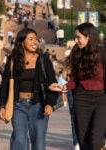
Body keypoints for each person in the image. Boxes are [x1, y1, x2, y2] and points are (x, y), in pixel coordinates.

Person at [0, 28, 58, 150]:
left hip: (38, 105)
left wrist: (50, 104)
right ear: (21, 42)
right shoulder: (12, 60)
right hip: (18, 105)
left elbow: (52, 83)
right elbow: (5, 84)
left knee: (39, 143)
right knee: (19, 140)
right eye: (31, 39)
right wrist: (2, 105)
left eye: (36, 39)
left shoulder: (43, 59)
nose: (35, 42)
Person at [49, 22, 106, 150]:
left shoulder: (102, 54)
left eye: (78, 37)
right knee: (83, 140)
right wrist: (63, 87)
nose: (76, 40)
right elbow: (74, 80)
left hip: (101, 100)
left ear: (88, 37)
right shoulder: (76, 54)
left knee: (96, 140)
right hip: (81, 99)